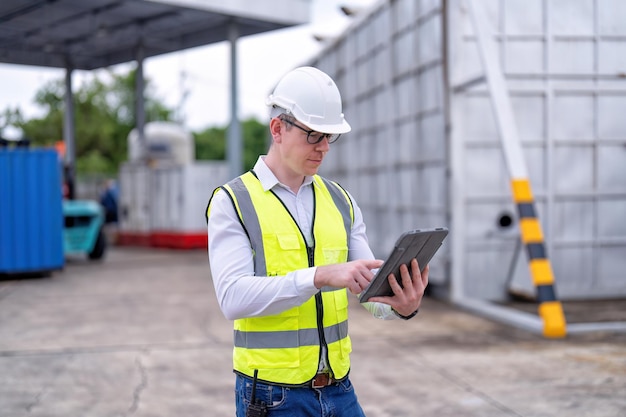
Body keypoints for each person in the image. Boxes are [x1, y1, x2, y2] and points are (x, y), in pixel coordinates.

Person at [206, 66, 428, 417]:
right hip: (270, 396)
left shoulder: (340, 200)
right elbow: (232, 298)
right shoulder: (233, 202)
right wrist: (320, 276)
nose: (324, 147)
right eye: (314, 135)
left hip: (339, 389)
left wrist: (402, 305)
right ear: (278, 128)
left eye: (330, 136)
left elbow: (371, 295)